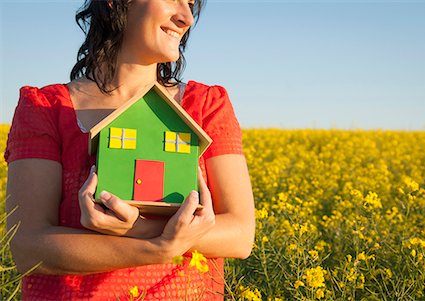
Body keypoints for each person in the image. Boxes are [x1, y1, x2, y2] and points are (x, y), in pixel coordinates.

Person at [4, 0, 255, 300]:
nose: (186, 17)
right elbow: (28, 248)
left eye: (190, 4)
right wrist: (158, 248)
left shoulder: (206, 106)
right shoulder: (46, 108)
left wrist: (136, 228)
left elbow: (240, 235)